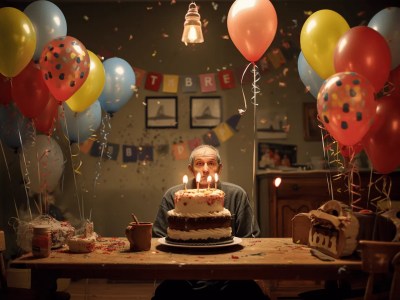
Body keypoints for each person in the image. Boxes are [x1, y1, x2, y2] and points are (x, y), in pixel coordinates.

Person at [152, 144, 270, 300]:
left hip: (228, 274)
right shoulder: (175, 195)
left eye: (211, 163)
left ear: (219, 168)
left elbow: (250, 239)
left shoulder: (236, 194)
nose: (205, 169)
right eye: (199, 163)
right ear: (191, 169)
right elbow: (158, 237)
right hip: (184, 274)